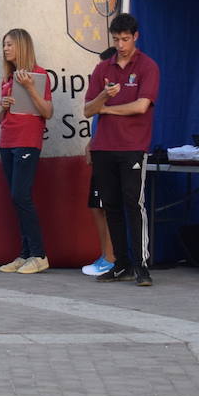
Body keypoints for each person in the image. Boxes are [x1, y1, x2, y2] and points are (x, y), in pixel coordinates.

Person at [83, 13, 159, 286]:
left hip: (132, 147)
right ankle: (121, 263)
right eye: (116, 39)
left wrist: (107, 108)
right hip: (104, 146)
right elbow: (87, 109)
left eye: (125, 39)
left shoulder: (148, 66)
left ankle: (141, 265)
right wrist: (103, 96)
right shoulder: (103, 68)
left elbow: (141, 106)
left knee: (133, 204)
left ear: (135, 37)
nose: (121, 45)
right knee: (111, 205)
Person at [0, 29, 54, 274]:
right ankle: (25, 253)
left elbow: (47, 112)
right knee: (15, 197)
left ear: (21, 46)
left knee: (21, 195)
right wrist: (3, 105)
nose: (6, 49)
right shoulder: (7, 78)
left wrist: (29, 88)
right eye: (4, 45)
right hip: (7, 141)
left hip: (27, 140)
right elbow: (0, 119)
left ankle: (39, 254)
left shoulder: (39, 76)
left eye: (9, 44)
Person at [81, 47, 119, 277]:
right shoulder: (101, 91)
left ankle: (111, 257)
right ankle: (106, 254)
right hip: (99, 148)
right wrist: (91, 142)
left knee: (108, 207)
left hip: (113, 153)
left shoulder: (119, 93)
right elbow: (92, 113)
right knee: (97, 207)